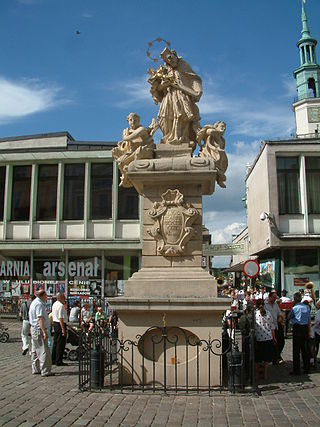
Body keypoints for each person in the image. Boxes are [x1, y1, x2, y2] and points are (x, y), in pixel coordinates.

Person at [148, 48, 202, 145]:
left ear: (174, 55)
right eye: (167, 60)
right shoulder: (164, 70)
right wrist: (167, 84)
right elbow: (158, 88)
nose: (170, 60)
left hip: (181, 95)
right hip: (168, 96)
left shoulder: (183, 65)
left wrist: (196, 89)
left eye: (170, 58)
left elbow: (193, 78)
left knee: (181, 115)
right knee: (163, 116)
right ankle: (168, 138)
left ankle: (181, 138)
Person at [28, 289, 53, 377]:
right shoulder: (39, 304)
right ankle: (45, 370)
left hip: (34, 328)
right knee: (43, 350)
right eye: (46, 295)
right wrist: (44, 331)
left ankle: (35, 368)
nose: (46, 297)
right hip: (38, 329)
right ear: (43, 295)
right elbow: (40, 318)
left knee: (35, 349)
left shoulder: (34, 302)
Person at [289, 292, 311, 375]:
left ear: (294, 299)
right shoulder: (306, 307)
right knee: (305, 349)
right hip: (305, 328)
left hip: (297, 328)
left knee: (296, 350)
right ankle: (307, 368)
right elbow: (309, 319)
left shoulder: (294, 308)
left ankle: (296, 370)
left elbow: (290, 317)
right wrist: (309, 331)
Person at [254, 300, 276, 380]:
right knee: (266, 358)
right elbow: (272, 326)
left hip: (259, 338)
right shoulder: (268, 313)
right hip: (268, 337)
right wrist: (274, 337)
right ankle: (265, 374)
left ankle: (256, 374)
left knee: (257, 358)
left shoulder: (255, 314)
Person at [265, 289, 284, 364]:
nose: (274, 299)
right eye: (273, 298)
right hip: (269, 327)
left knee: (281, 342)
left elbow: (279, 313)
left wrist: (280, 317)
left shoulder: (276, 304)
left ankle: (276, 356)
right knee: (273, 343)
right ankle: (275, 358)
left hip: (276, 326)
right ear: (269, 297)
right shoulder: (265, 304)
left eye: (275, 298)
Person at [51, 292, 68, 366]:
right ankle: (59, 360)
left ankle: (53, 359)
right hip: (60, 324)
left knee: (55, 342)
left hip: (55, 323)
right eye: (64, 297)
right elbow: (61, 318)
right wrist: (63, 329)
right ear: (61, 297)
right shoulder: (61, 306)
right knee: (60, 343)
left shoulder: (54, 304)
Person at [313, 300, 320, 368]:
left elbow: (317, 321)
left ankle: (314, 360)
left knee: (316, 346)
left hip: (318, 331)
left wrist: (314, 326)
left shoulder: (318, 312)